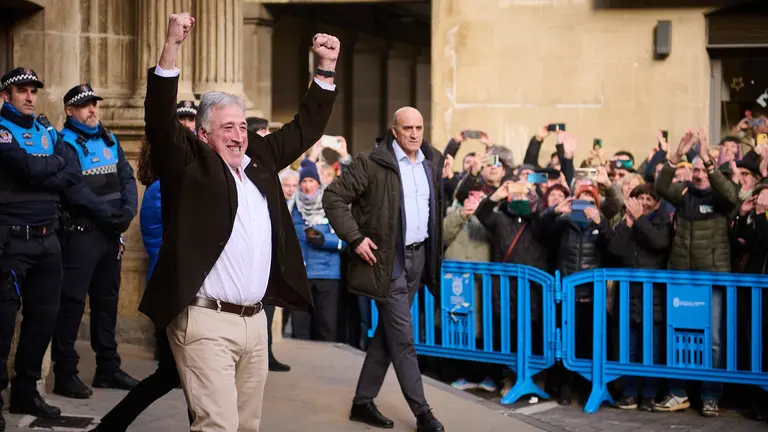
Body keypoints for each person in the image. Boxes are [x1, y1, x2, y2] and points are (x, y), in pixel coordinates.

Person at [139, 13, 338, 431]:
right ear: (205, 134)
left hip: (253, 323)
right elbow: (159, 118)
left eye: (242, 126)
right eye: (226, 127)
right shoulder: (189, 165)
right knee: (218, 427)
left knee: (246, 427)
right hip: (205, 322)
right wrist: (172, 45)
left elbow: (305, 129)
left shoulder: (260, 158)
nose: (237, 135)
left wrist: (325, 70)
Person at [324, 106, 445, 431]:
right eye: (408, 128)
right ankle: (423, 414)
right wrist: (356, 238)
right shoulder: (371, 163)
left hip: (418, 260)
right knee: (403, 339)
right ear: (394, 130)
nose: (415, 134)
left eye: (419, 127)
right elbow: (334, 196)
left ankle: (362, 402)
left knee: (387, 335)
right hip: (387, 262)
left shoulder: (430, 162)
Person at [89, 102, 199, 432]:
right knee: (190, 375)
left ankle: (111, 426)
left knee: (176, 374)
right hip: (174, 298)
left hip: (178, 295)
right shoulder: (163, 190)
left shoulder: (171, 187)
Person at [0, 67, 80, 426]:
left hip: (48, 239)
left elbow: (73, 169)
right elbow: (27, 168)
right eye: (21, 90)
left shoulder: (47, 129)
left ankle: (25, 392)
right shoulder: (2, 132)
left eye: (33, 90)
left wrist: (47, 168)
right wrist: (51, 168)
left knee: (43, 319)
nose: (29, 96)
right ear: (6, 95)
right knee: (2, 325)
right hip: (11, 240)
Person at [51, 83, 139, 400]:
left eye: (94, 105)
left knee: (107, 303)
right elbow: (74, 189)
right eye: (85, 106)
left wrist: (128, 210)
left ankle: (108, 368)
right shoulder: (64, 143)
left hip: (109, 235)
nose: (92, 110)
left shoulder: (108, 138)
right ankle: (65, 373)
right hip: (82, 235)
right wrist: (110, 215)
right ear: (70, 111)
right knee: (71, 305)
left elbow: (127, 177)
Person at [654, 129, 740, 417]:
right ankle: (678, 392)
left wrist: (707, 157)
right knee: (677, 333)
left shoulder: (721, 199)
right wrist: (677, 154)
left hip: (712, 280)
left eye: (704, 169)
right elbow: (661, 186)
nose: (699, 173)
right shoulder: (683, 195)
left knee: (713, 340)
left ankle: (711, 394)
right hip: (682, 278)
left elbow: (732, 195)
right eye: (696, 169)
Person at [248, 116, 290, 372]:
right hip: (248, 251)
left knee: (270, 305)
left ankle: (267, 353)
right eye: (263, 133)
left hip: (269, 247)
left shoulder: (270, 166)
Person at [290, 159, 345, 342]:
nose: (307, 186)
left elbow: (345, 238)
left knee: (327, 327)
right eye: (303, 181)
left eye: (311, 181)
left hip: (327, 274)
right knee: (300, 329)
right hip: (302, 274)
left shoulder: (331, 204)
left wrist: (323, 240)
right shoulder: (293, 206)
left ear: (318, 183)